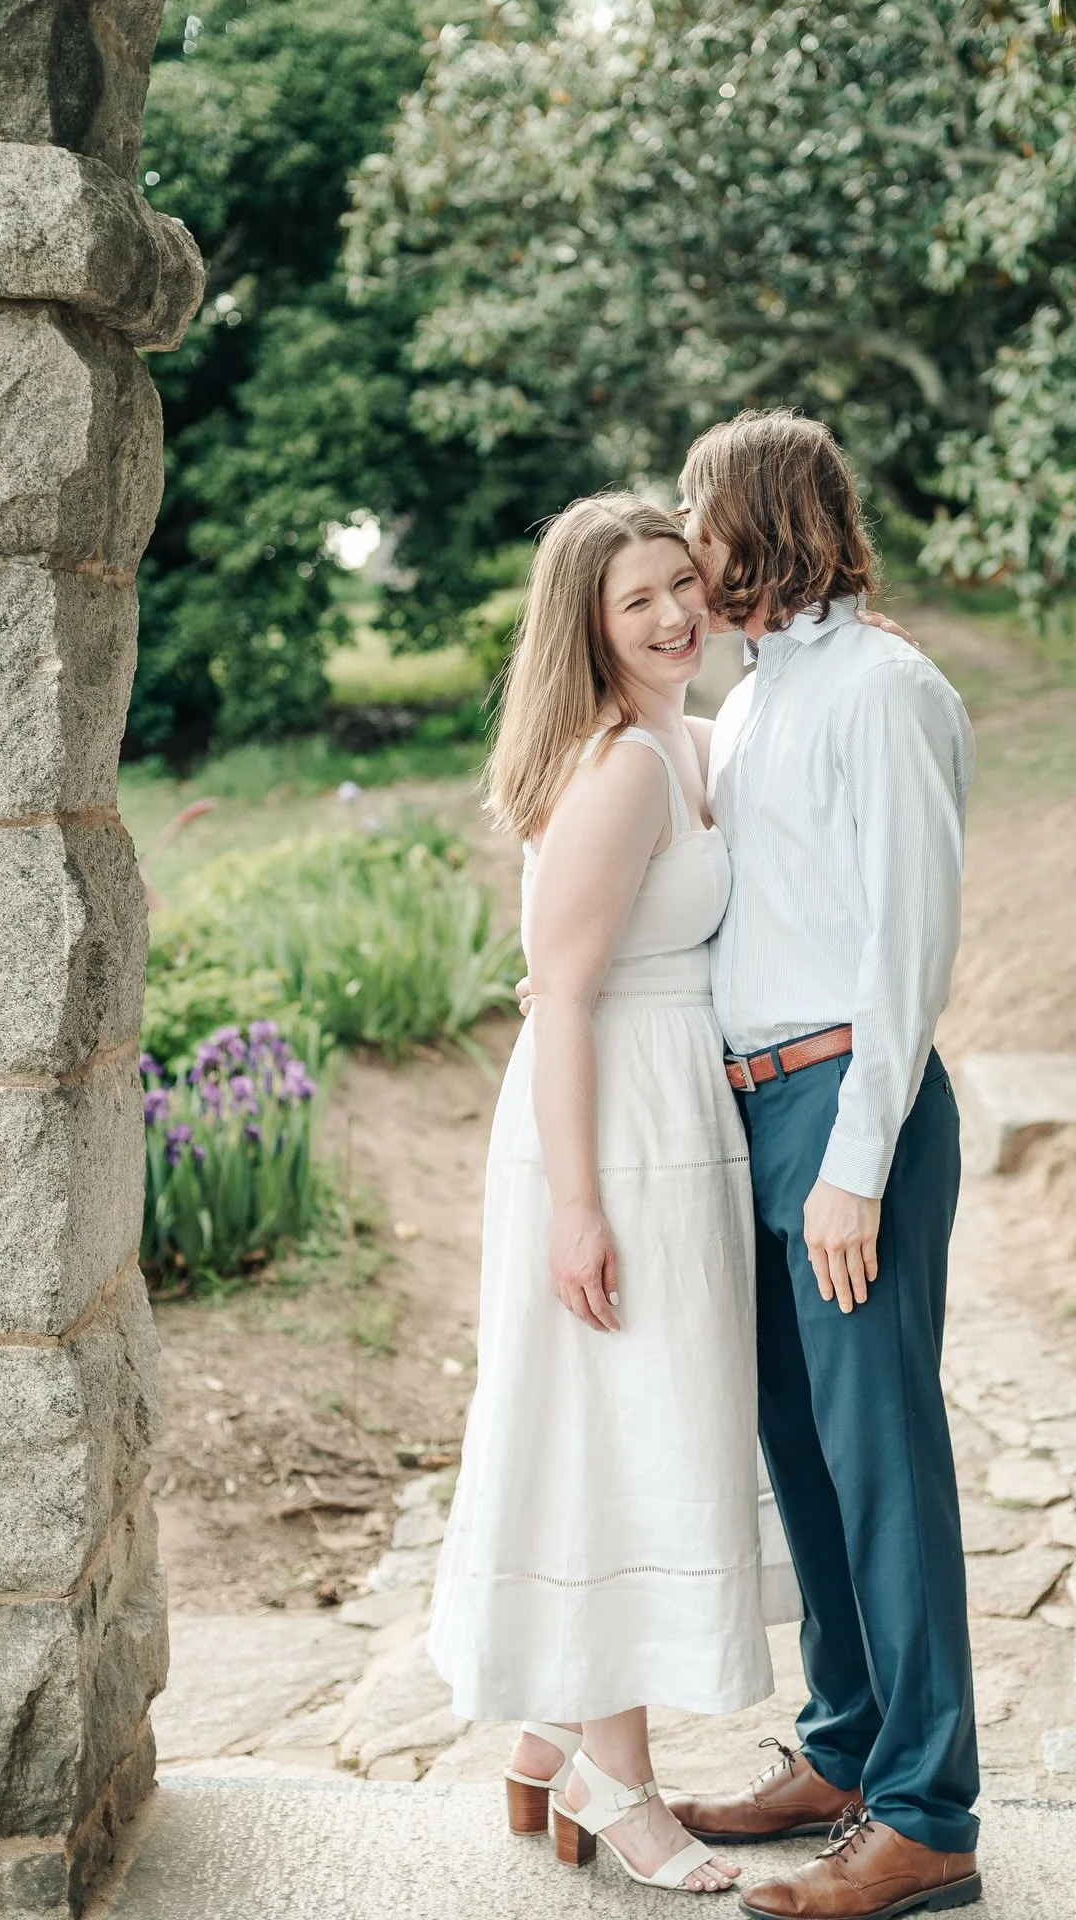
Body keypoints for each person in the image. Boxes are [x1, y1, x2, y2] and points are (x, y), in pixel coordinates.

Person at [427, 493, 771, 1896]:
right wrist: (578, 1208)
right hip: (608, 1122)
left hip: (672, 1107)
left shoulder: (691, 742)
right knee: (615, 1434)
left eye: (685, 585)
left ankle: (547, 1740)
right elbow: (556, 995)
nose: (676, 615)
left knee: (630, 1421)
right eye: (640, 601)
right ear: (590, 623)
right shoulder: (623, 765)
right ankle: (618, 1782)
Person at [665, 411, 983, 1920]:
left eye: (700, 512)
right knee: (800, 1457)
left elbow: (906, 945)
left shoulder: (885, 691)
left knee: (881, 1465)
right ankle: (845, 1749)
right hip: (753, 1114)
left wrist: (856, 1161)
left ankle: (927, 1815)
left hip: (855, 1109)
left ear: (770, 520)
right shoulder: (750, 703)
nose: (686, 542)